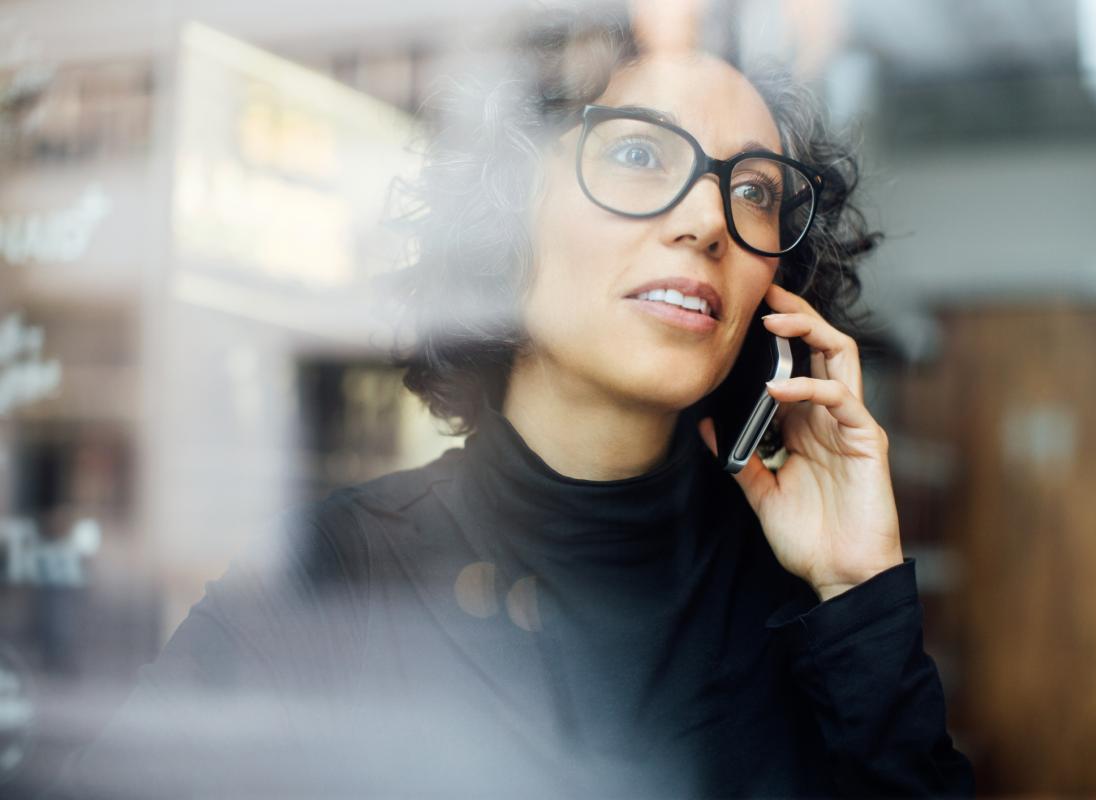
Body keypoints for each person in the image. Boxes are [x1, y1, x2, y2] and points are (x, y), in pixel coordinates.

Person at [49, 5, 975, 799]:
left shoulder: (804, 604)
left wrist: (858, 592)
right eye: (641, 152)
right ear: (503, 209)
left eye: (756, 191)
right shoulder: (339, 573)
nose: (705, 219)